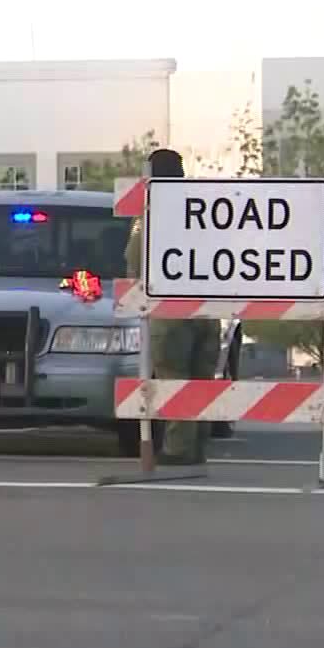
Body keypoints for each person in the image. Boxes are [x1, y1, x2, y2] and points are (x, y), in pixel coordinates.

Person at [123, 147, 219, 467]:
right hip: (209, 306)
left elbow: (135, 257)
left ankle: (178, 449)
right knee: (202, 377)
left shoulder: (151, 207)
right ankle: (197, 445)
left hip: (170, 308)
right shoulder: (205, 206)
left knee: (174, 376)